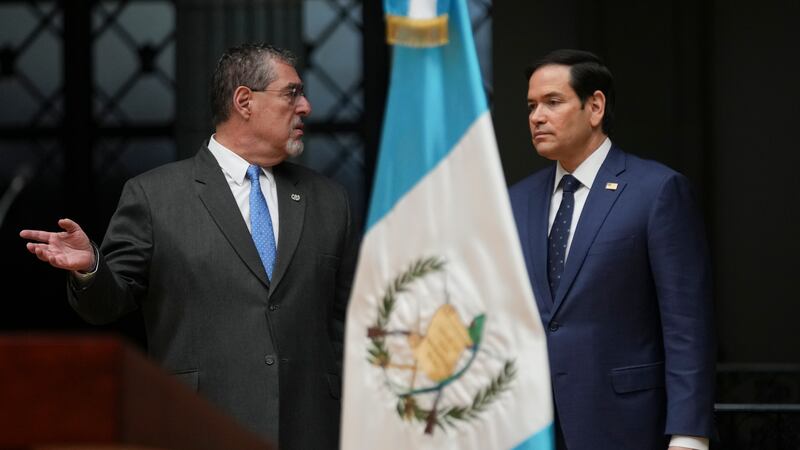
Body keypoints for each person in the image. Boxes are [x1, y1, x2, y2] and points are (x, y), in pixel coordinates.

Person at [20, 43, 356, 450]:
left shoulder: (329, 200)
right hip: (197, 426)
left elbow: (345, 324)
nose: (305, 106)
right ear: (244, 101)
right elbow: (107, 305)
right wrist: (91, 267)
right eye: (292, 93)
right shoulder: (154, 196)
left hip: (310, 430)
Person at [508, 49, 716, 450]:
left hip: (626, 425)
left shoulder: (656, 191)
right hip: (530, 428)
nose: (536, 117)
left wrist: (690, 434)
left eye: (553, 102)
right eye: (531, 105)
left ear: (595, 106)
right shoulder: (517, 201)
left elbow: (687, 326)